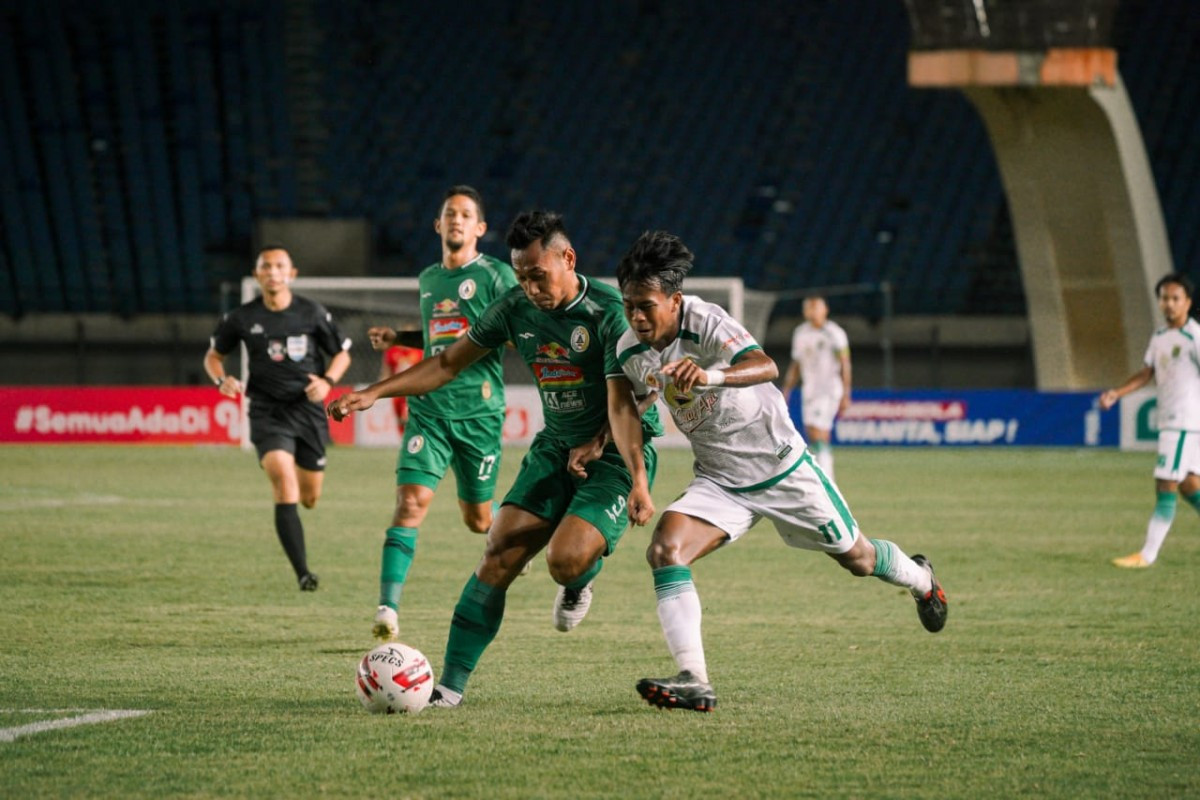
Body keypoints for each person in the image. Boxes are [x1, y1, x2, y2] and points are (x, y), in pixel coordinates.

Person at [329, 210, 661, 707]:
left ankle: (579, 581)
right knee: (498, 547)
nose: (529, 287)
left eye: (537, 275)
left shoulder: (611, 312)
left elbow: (637, 396)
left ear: (568, 259)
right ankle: (449, 689)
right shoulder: (512, 307)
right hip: (554, 448)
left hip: (616, 449)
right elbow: (445, 362)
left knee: (565, 561)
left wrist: (632, 474)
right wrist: (373, 392)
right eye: (521, 277)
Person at [612, 231, 946, 712]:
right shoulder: (630, 347)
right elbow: (638, 396)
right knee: (665, 549)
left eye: (646, 305)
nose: (637, 317)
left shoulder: (706, 320)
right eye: (629, 306)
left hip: (781, 468)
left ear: (675, 300)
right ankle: (695, 679)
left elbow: (763, 365)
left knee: (858, 559)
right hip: (720, 480)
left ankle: (921, 580)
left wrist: (710, 375)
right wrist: (601, 440)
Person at [363, 186, 518, 642]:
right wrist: (400, 338)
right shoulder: (429, 277)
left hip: (479, 414)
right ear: (438, 225)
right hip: (429, 410)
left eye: (466, 214)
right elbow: (439, 341)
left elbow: (519, 330)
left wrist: (501, 335)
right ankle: (387, 609)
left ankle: (517, 536)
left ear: (480, 229)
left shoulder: (497, 276)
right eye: (450, 213)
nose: (456, 220)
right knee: (410, 503)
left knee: (478, 521)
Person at [203, 245, 352, 591]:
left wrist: (327, 381)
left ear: (292, 273)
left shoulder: (312, 313)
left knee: (310, 497)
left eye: (279, 266)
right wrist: (220, 379)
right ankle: (303, 572)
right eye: (265, 266)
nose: (272, 272)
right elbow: (214, 356)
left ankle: (302, 509)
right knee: (283, 481)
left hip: (308, 410)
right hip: (267, 412)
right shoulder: (241, 317)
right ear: (256, 275)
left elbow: (342, 355)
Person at [1100, 273, 1200, 568]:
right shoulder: (1159, 337)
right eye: (1164, 298)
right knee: (1188, 484)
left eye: (1175, 299)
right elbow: (1146, 373)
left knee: (1165, 482)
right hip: (1176, 421)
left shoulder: (1194, 336)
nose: (1169, 304)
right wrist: (1116, 393)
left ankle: (1147, 554)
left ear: (1188, 302)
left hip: (1184, 421)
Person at [780, 295, 851, 479]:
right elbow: (796, 365)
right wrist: (787, 390)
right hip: (809, 391)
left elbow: (845, 363)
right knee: (816, 433)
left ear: (825, 310)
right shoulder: (800, 333)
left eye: (816, 308)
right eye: (809, 308)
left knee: (816, 430)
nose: (812, 312)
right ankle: (825, 474)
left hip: (828, 390)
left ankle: (826, 477)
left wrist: (846, 393)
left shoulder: (835, 333)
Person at [381, 342, 422, 435]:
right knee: (400, 421)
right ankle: (404, 443)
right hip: (397, 392)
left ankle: (413, 443)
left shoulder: (419, 352)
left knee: (407, 418)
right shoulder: (392, 351)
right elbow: (387, 373)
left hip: (412, 392)